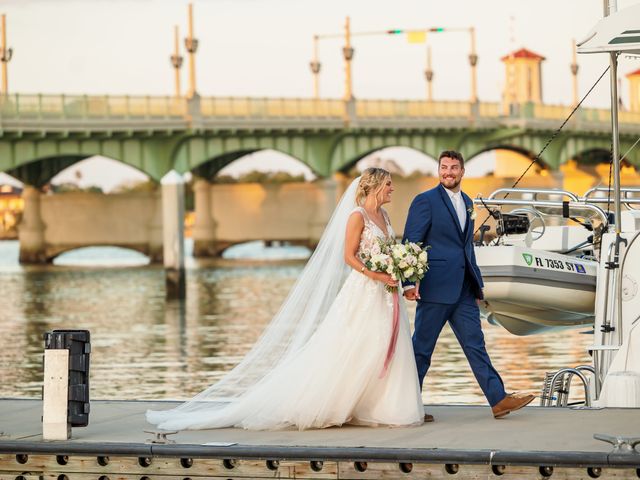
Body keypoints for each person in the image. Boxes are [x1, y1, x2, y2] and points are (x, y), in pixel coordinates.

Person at [147, 168, 424, 431]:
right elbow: (348, 256)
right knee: (356, 344)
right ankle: (332, 402)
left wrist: (399, 269)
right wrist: (375, 275)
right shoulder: (357, 216)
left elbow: (390, 250)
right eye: (388, 184)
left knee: (384, 343)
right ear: (375, 186)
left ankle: (380, 407)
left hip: (387, 292)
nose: (392, 188)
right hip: (365, 290)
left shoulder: (385, 216)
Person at [403, 150, 534, 419]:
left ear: (462, 172)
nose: (448, 172)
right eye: (443, 168)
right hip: (435, 288)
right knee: (421, 350)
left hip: (464, 290)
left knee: (476, 345)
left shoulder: (467, 202)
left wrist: (477, 286)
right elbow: (411, 243)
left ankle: (498, 400)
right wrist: (408, 283)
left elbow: (467, 249)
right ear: (439, 171)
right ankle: (407, 408)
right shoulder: (424, 201)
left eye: (453, 168)